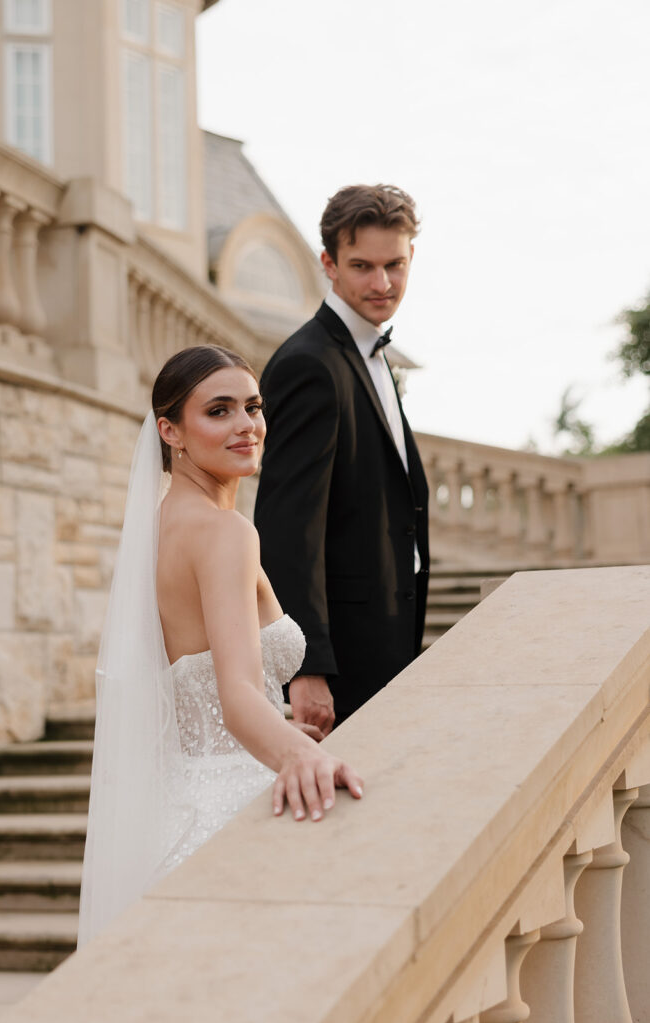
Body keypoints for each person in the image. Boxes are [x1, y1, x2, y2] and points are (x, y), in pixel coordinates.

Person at [78, 345, 363, 945]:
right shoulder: (224, 531)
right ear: (170, 431)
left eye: (253, 407)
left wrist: (281, 729)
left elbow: (198, 684)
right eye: (220, 410)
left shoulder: (161, 527)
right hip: (230, 805)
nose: (246, 425)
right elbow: (235, 695)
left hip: (180, 802)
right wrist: (299, 756)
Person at [255, 184, 430, 735]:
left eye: (394, 265)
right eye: (362, 266)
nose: (382, 284)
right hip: (342, 660)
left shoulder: (373, 355)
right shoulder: (308, 365)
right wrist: (305, 670)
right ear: (328, 264)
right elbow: (287, 532)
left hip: (390, 638)